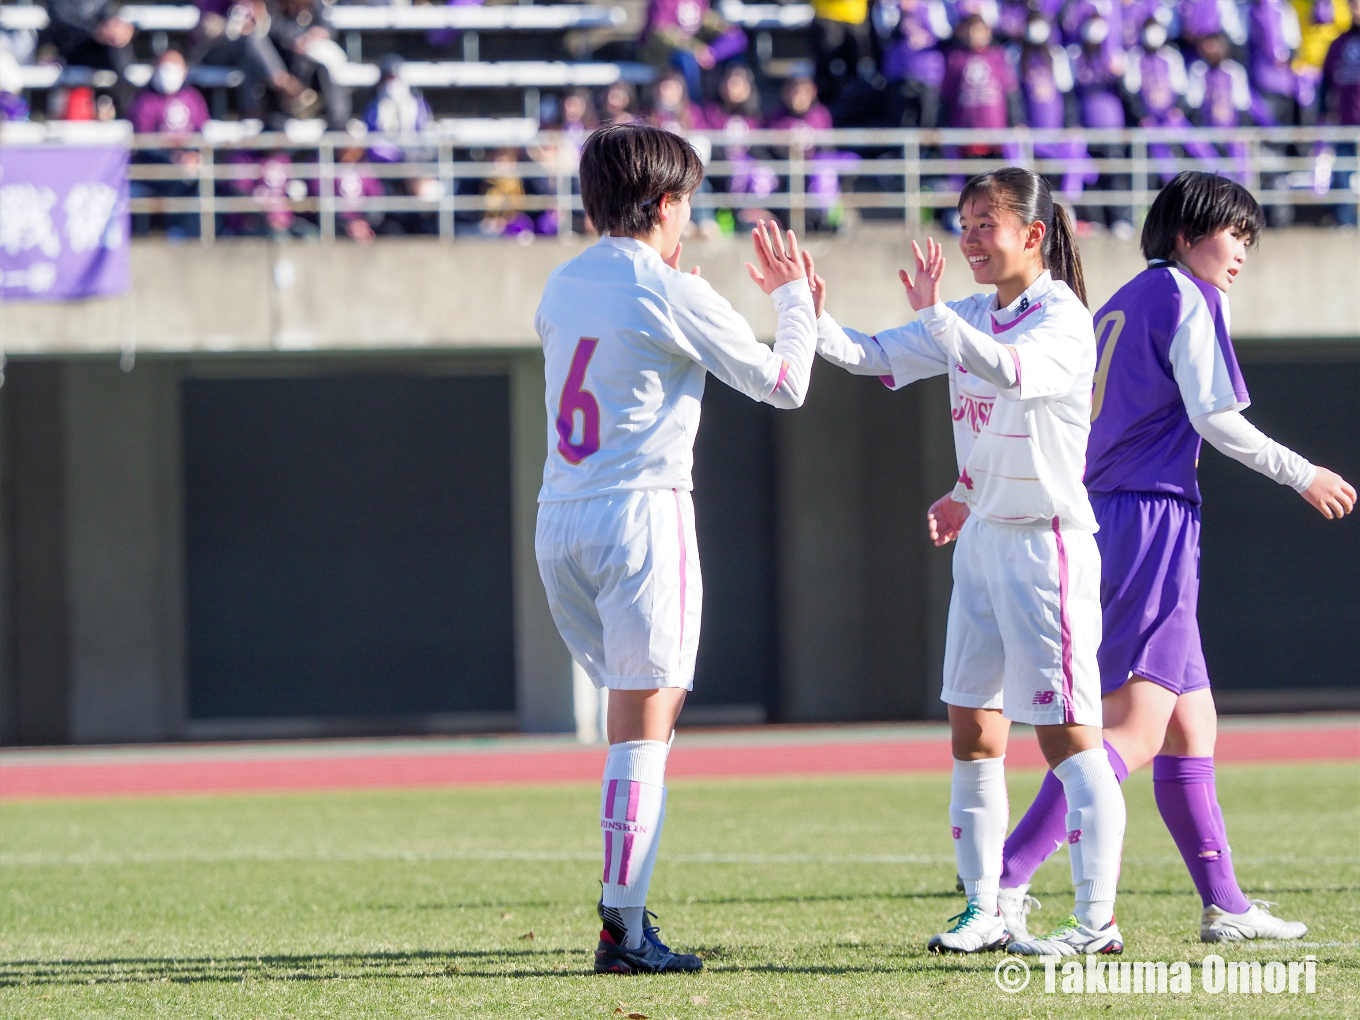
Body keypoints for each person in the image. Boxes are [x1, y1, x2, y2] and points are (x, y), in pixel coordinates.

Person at [997, 170, 1356, 945]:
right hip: (1149, 517)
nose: (1243, 253)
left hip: (1117, 512)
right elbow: (1215, 418)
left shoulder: (1128, 297)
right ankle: (1004, 880)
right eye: (1236, 235)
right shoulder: (1189, 297)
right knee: (1135, 729)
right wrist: (1306, 473)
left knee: (1193, 727)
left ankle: (1223, 904)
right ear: (1190, 234)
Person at [808, 166, 1128, 957]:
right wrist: (800, 311)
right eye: (965, 221)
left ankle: (1097, 923)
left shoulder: (1063, 320)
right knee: (973, 731)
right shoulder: (965, 313)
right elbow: (868, 354)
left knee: (1067, 739)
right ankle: (986, 909)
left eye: (987, 222)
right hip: (984, 541)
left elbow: (1009, 373)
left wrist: (940, 326)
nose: (971, 236)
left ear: (1033, 234)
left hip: (1045, 544)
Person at [534, 123, 817, 974]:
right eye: (686, 202)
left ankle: (624, 919)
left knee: (629, 726)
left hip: (561, 518)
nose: (689, 219)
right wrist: (797, 300)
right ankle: (622, 927)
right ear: (662, 205)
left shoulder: (561, 282)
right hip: (640, 516)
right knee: (644, 735)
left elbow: (621, 350)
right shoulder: (668, 287)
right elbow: (785, 383)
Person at [130, 50, 211, 238]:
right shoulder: (145, 100)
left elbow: (202, 132)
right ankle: (174, 229)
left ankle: (201, 232)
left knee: (208, 178)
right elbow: (145, 143)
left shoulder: (193, 97)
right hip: (156, 164)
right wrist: (175, 157)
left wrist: (193, 153)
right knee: (177, 177)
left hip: (189, 161)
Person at [45, 0, 136, 114]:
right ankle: (126, 109)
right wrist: (96, 31)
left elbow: (109, 12)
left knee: (118, 43)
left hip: (101, 47)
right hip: (71, 50)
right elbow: (62, 21)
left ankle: (127, 108)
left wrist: (118, 28)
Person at [1320, 0, 1360, 224]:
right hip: (1346, 122)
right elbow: (1326, 83)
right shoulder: (1338, 44)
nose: (1356, 8)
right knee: (1343, 174)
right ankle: (1345, 223)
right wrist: (1323, 112)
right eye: (1352, 4)